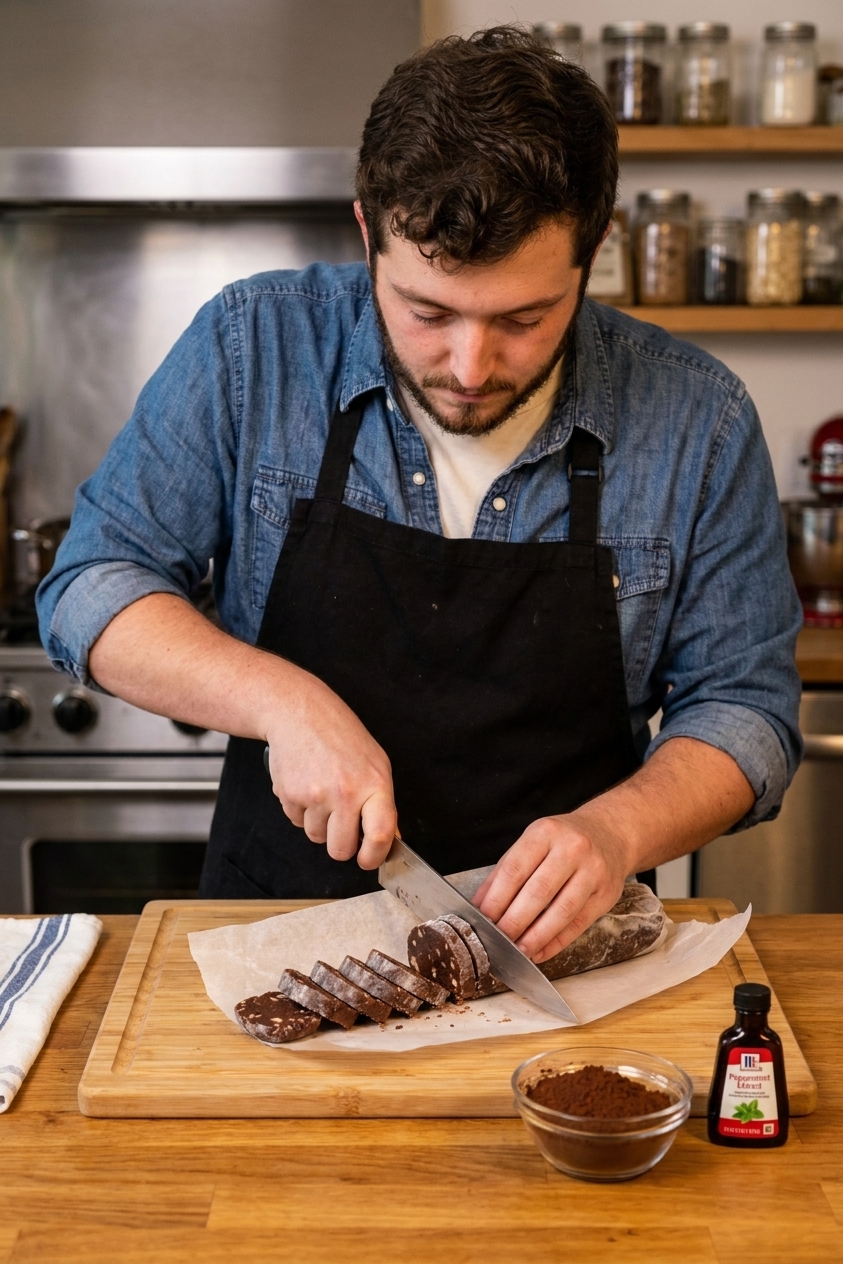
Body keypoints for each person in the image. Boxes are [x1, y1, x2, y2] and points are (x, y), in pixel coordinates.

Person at [37, 28, 801, 967]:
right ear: (368, 230)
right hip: (279, 944)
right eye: (426, 312)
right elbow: (88, 585)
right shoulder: (253, 347)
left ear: (594, 249)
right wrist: (283, 702)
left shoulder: (698, 419)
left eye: (524, 318)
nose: (470, 367)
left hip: (563, 957)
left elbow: (746, 707)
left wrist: (620, 831)